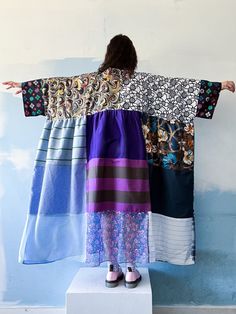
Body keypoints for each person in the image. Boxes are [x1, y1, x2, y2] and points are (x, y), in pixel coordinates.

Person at [2, 34, 235, 290]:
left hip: (98, 161)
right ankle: (132, 267)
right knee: (132, 211)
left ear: (108, 55)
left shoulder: (90, 83)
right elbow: (178, 89)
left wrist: (25, 88)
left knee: (104, 210)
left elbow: (60, 88)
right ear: (131, 56)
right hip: (133, 160)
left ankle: (112, 266)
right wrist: (218, 86)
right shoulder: (142, 83)